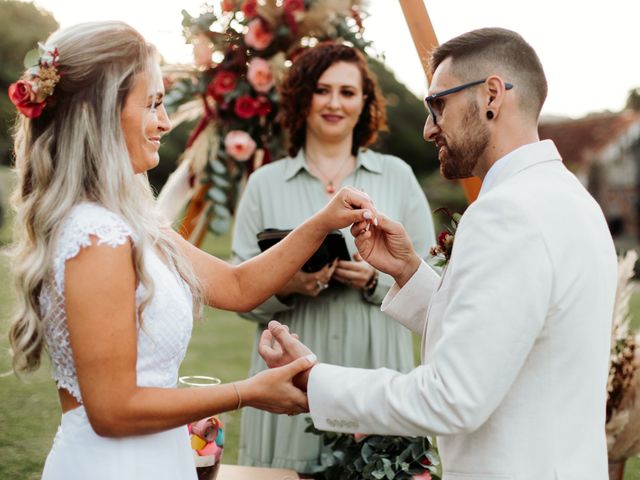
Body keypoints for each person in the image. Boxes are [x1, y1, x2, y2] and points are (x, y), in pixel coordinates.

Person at [6, 22, 376, 480]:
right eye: (153, 104)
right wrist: (247, 392)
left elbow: (238, 286)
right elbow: (113, 410)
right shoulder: (95, 234)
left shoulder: (132, 222)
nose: (164, 122)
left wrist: (323, 221)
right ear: (103, 112)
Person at [258, 28, 618, 479]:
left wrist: (314, 382)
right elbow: (510, 332)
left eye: (438, 104)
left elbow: (453, 396)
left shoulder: (507, 213)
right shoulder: (570, 199)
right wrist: (410, 273)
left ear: (491, 95)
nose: (429, 127)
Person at [231, 42, 435, 474]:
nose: (335, 103)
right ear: (302, 97)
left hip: (377, 370)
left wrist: (374, 279)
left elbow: (435, 277)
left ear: (364, 102)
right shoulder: (264, 183)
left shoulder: (396, 176)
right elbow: (236, 287)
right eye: (323, 90)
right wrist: (286, 282)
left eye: (347, 92)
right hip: (289, 377)